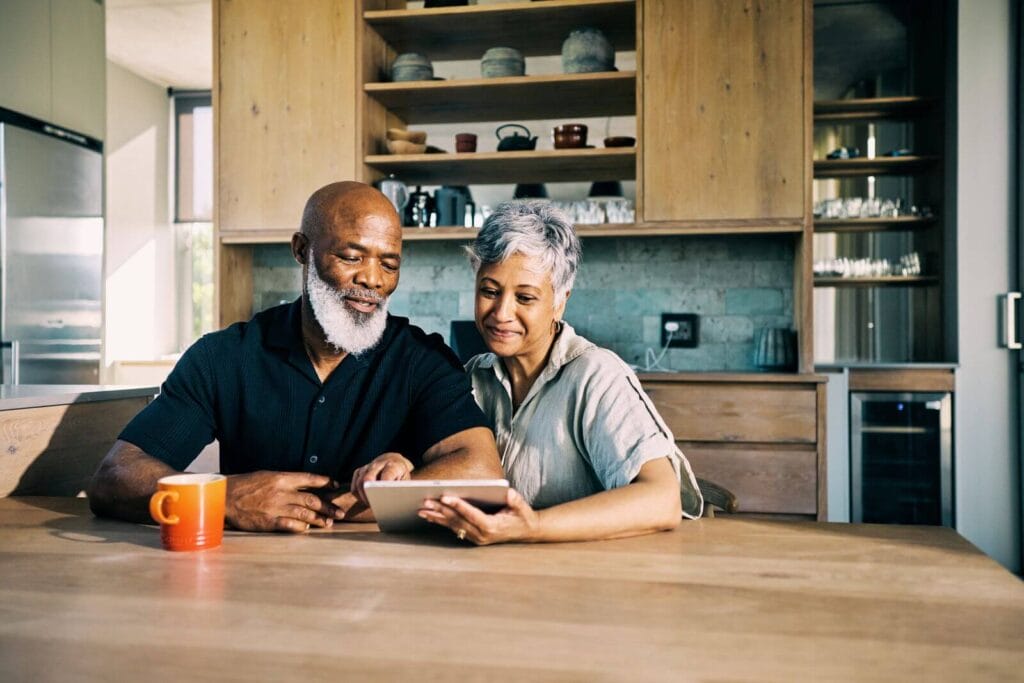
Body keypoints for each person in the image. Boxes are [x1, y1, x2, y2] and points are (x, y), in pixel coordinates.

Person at [88, 181, 503, 532]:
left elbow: (481, 469)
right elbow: (114, 477)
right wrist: (223, 498)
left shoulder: (421, 359)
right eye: (351, 257)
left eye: (389, 264)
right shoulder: (223, 358)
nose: (372, 280)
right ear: (302, 249)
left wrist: (377, 497)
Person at [414, 200, 703, 544]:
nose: (501, 313)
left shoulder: (596, 375)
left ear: (560, 301)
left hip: (585, 580)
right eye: (489, 292)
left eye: (525, 298)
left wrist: (532, 526)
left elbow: (662, 500)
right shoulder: (468, 378)